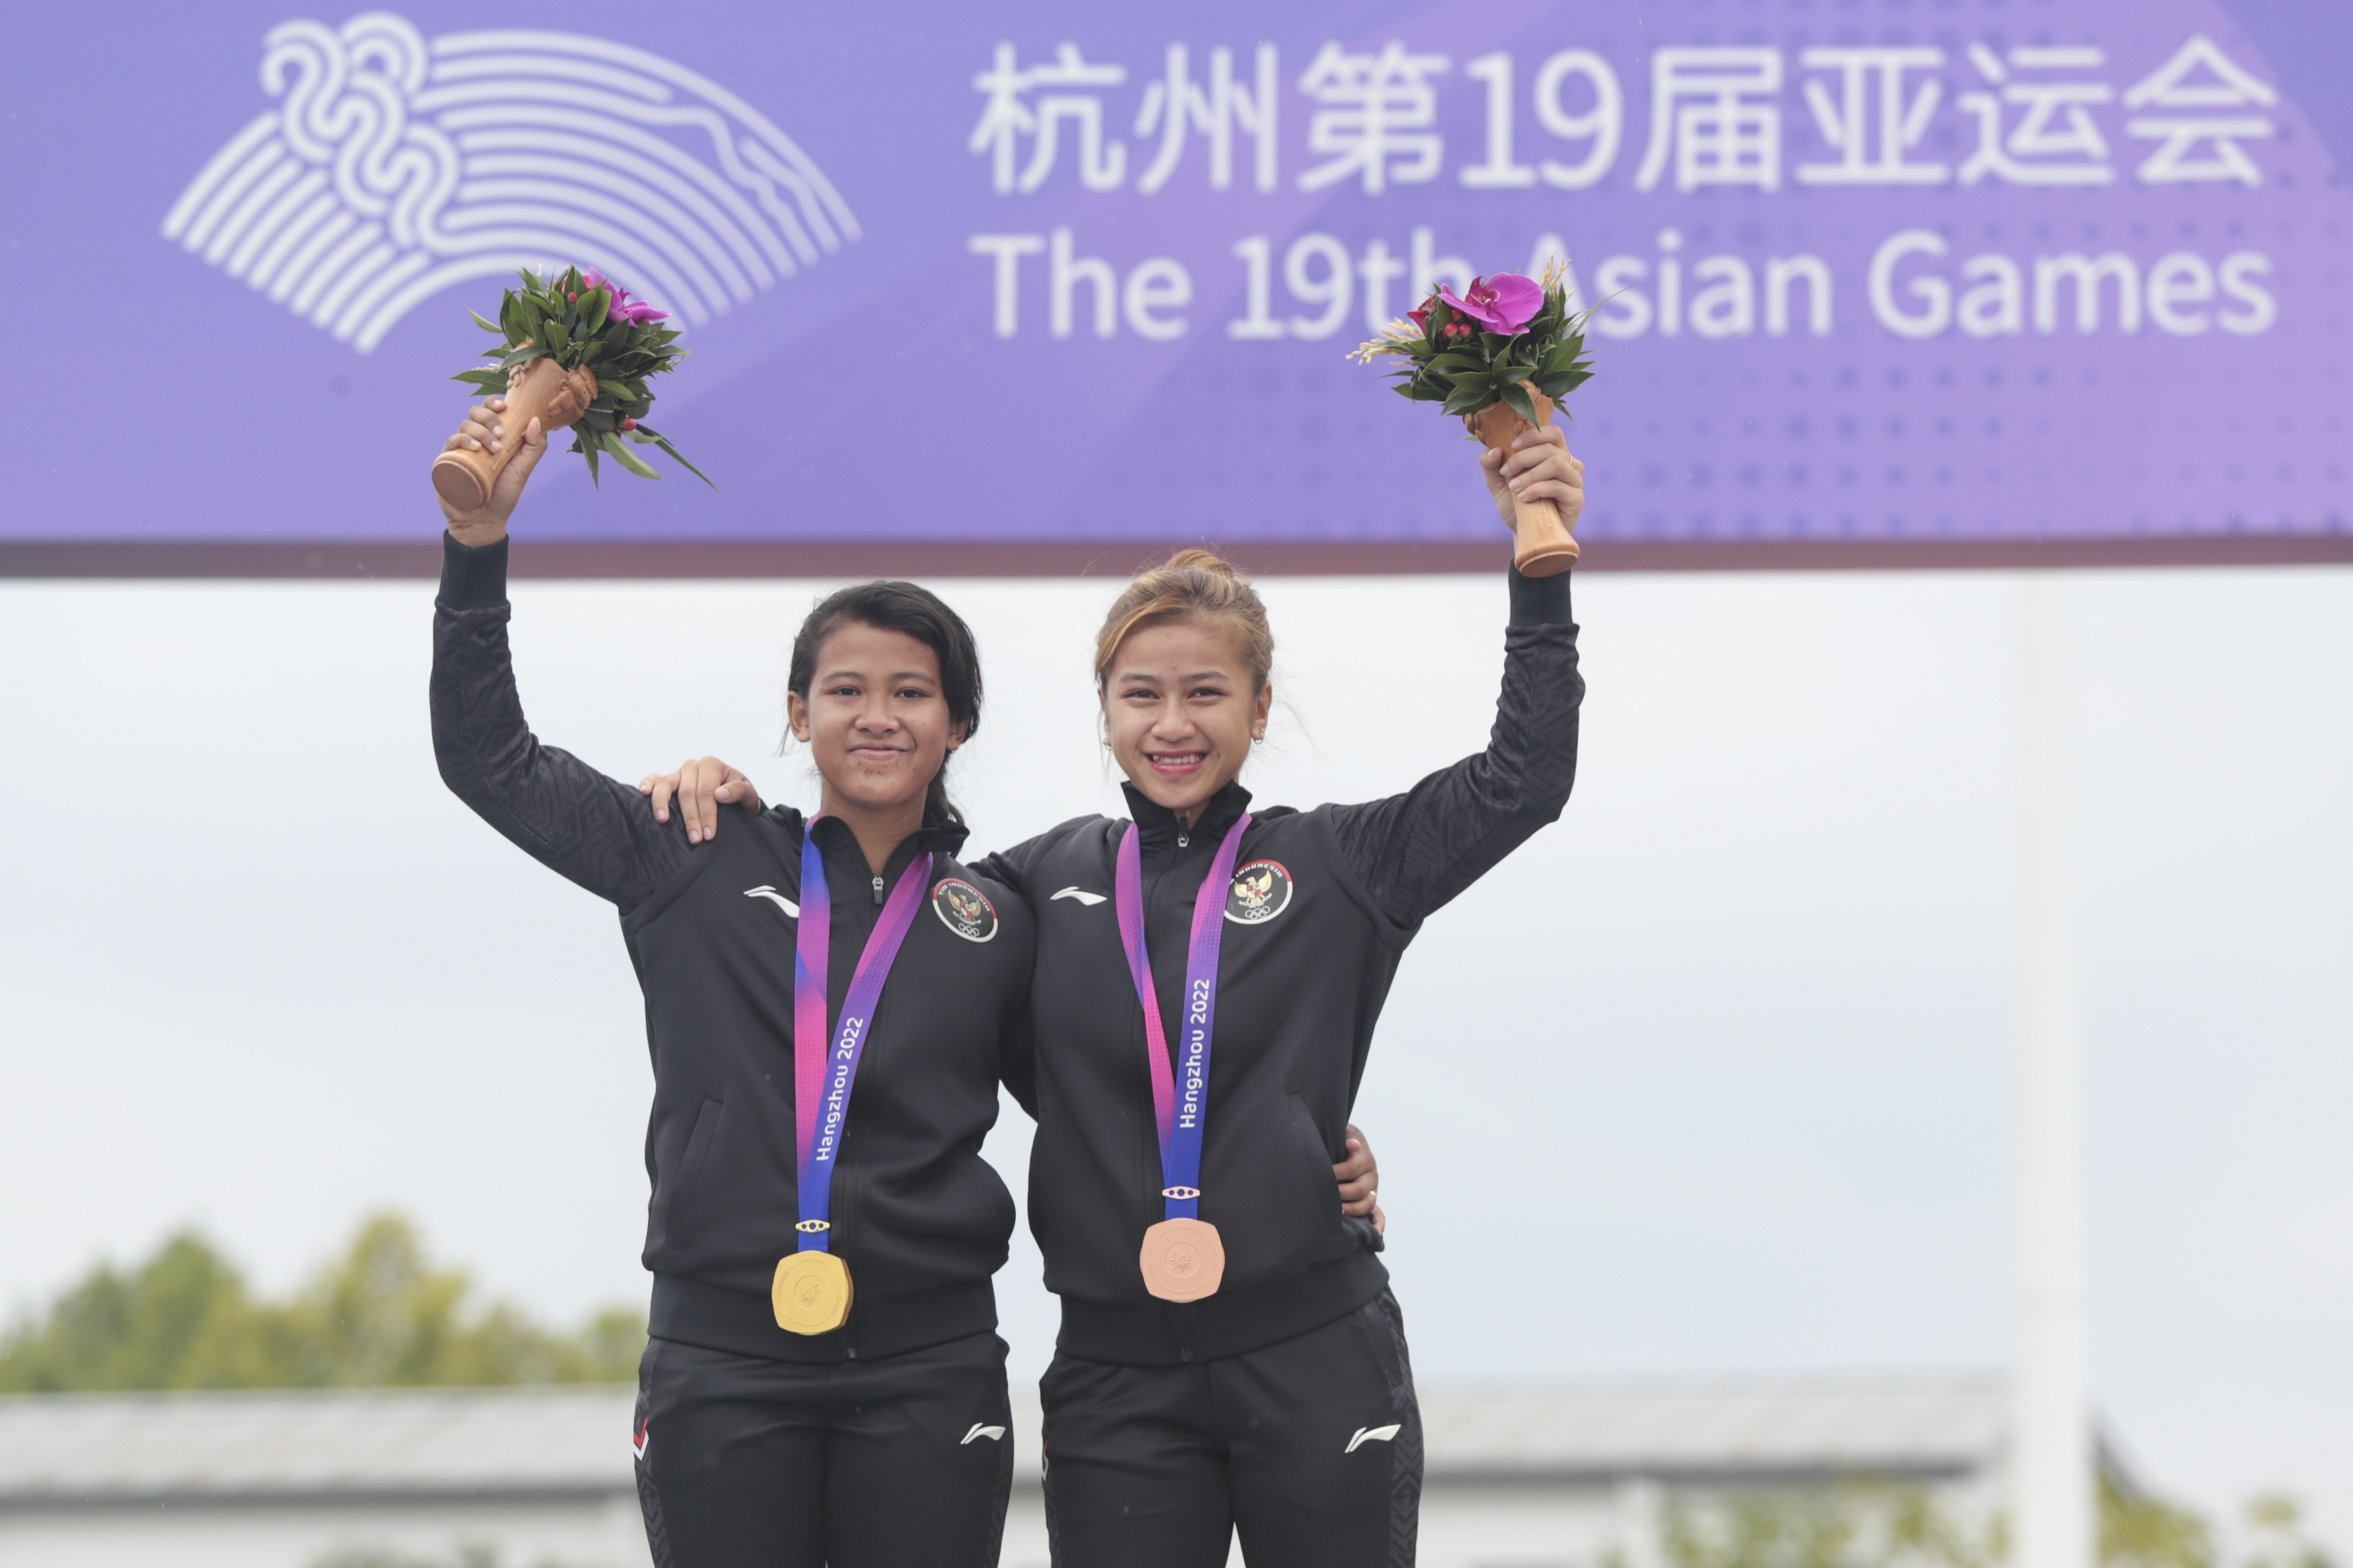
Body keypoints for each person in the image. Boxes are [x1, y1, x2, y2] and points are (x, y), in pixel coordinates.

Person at [427, 396, 1380, 1568]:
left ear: (957, 723)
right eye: (844, 690)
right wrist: (476, 547)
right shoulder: (691, 854)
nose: (876, 716)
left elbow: (1114, 1086)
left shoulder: (1001, 917)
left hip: (932, 1371)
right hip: (722, 1356)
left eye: (911, 692)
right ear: (797, 716)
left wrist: (1306, 1156)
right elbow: (488, 759)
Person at [644, 420, 1586, 1566]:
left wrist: (1538, 571)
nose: (1172, 724)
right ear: (1105, 710)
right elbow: (875, 936)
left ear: (1258, 706)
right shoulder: (1029, 888)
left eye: (1205, 692)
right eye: (1142, 694)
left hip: (1315, 1349)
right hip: (1112, 1378)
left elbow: (1522, 781)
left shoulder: (1343, 864)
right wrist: (745, 814)